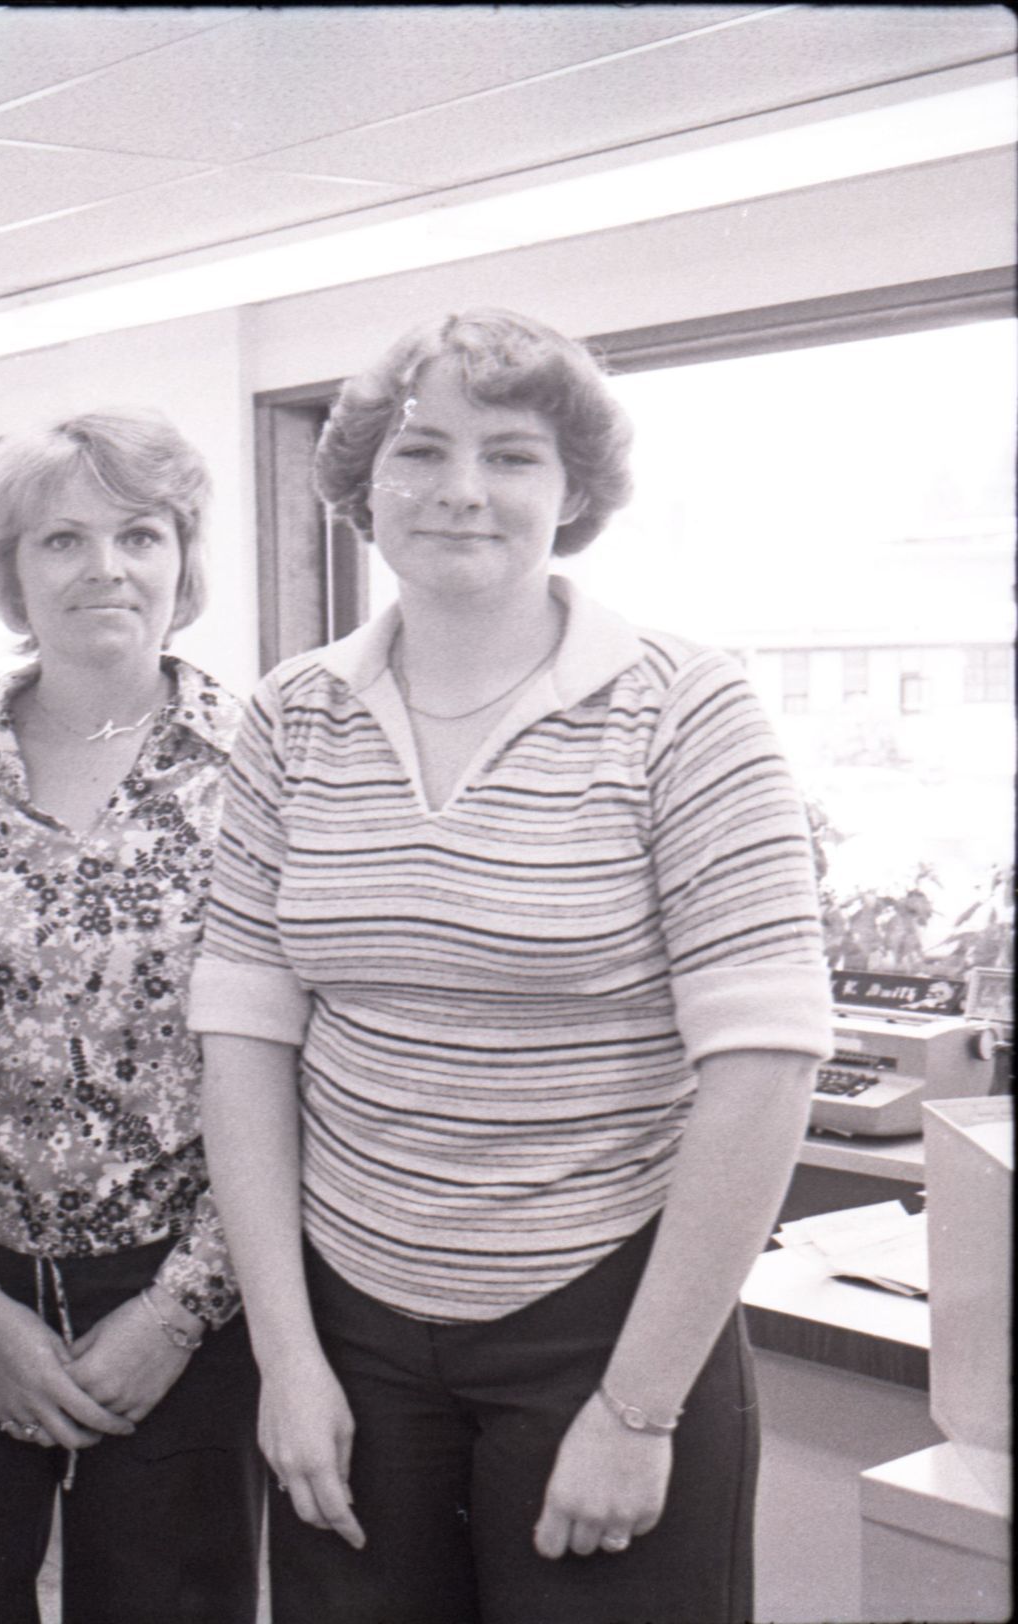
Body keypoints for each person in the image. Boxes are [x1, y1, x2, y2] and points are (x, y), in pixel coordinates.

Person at [193, 310, 832, 1623]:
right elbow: (246, 1043)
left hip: (605, 1320)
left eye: (512, 454)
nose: (462, 488)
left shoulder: (685, 707)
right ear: (366, 480)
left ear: (575, 488)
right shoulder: (293, 716)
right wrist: (287, 1355)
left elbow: (765, 1066)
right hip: (351, 1324)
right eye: (421, 449)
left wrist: (638, 1407)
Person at [0, 409, 263, 1624]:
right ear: (11, 568)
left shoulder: (263, 770)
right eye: (62, 538)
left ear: (183, 557)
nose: (105, 567)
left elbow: (301, 1071)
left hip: (194, 1293)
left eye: (139, 534)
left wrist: (179, 1312)